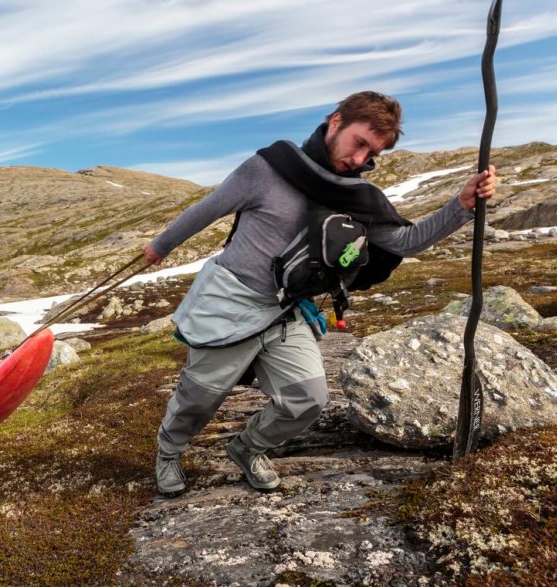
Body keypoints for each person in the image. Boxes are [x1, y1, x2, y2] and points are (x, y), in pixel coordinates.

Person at [143, 91, 497, 496]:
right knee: (199, 399)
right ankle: (169, 453)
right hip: (229, 303)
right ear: (335, 121)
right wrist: (161, 246)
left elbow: (406, 241)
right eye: (359, 142)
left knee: (308, 399)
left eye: (372, 153)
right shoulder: (267, 168)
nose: (361, 159)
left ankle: (247, 447)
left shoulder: (357, 197)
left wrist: (461, 205)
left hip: (285, 312)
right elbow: (208, 209)